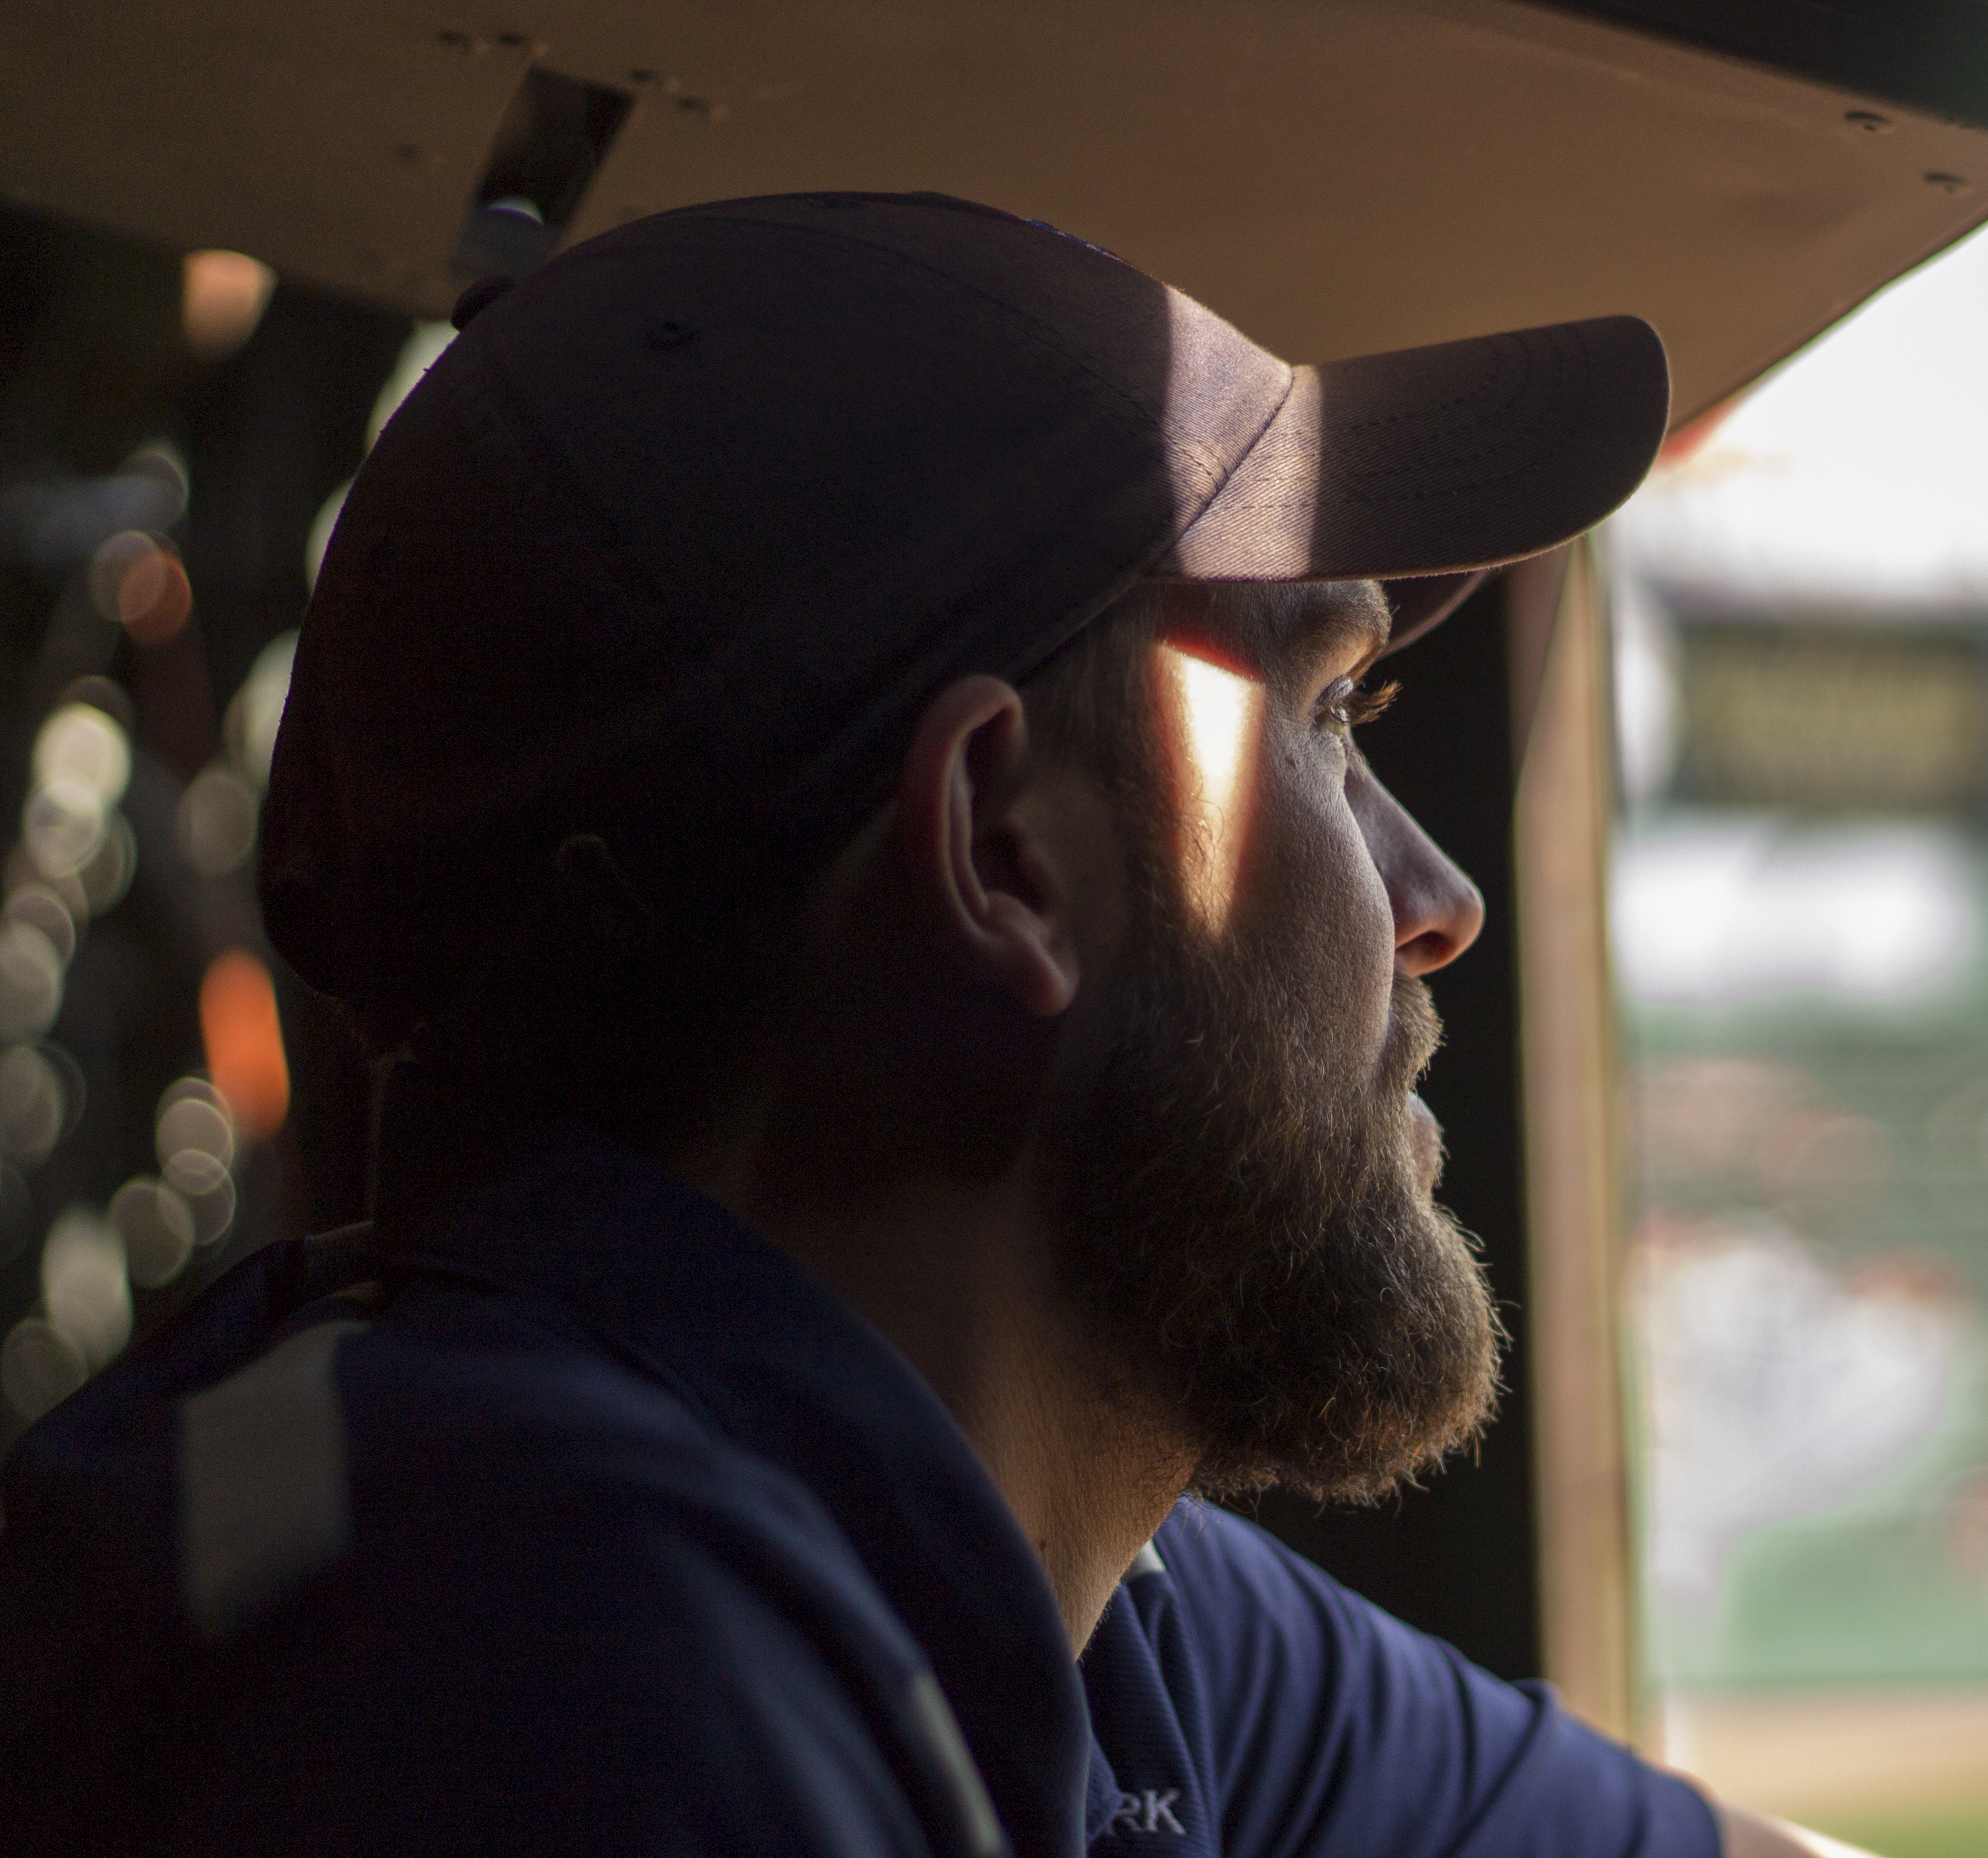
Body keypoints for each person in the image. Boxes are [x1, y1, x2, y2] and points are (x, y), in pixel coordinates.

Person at [0, 192, 1865, 1858]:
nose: (1437, 899)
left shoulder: (1042, 1591)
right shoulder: (538, 1665)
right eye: (1329, 720)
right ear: (997, 848)